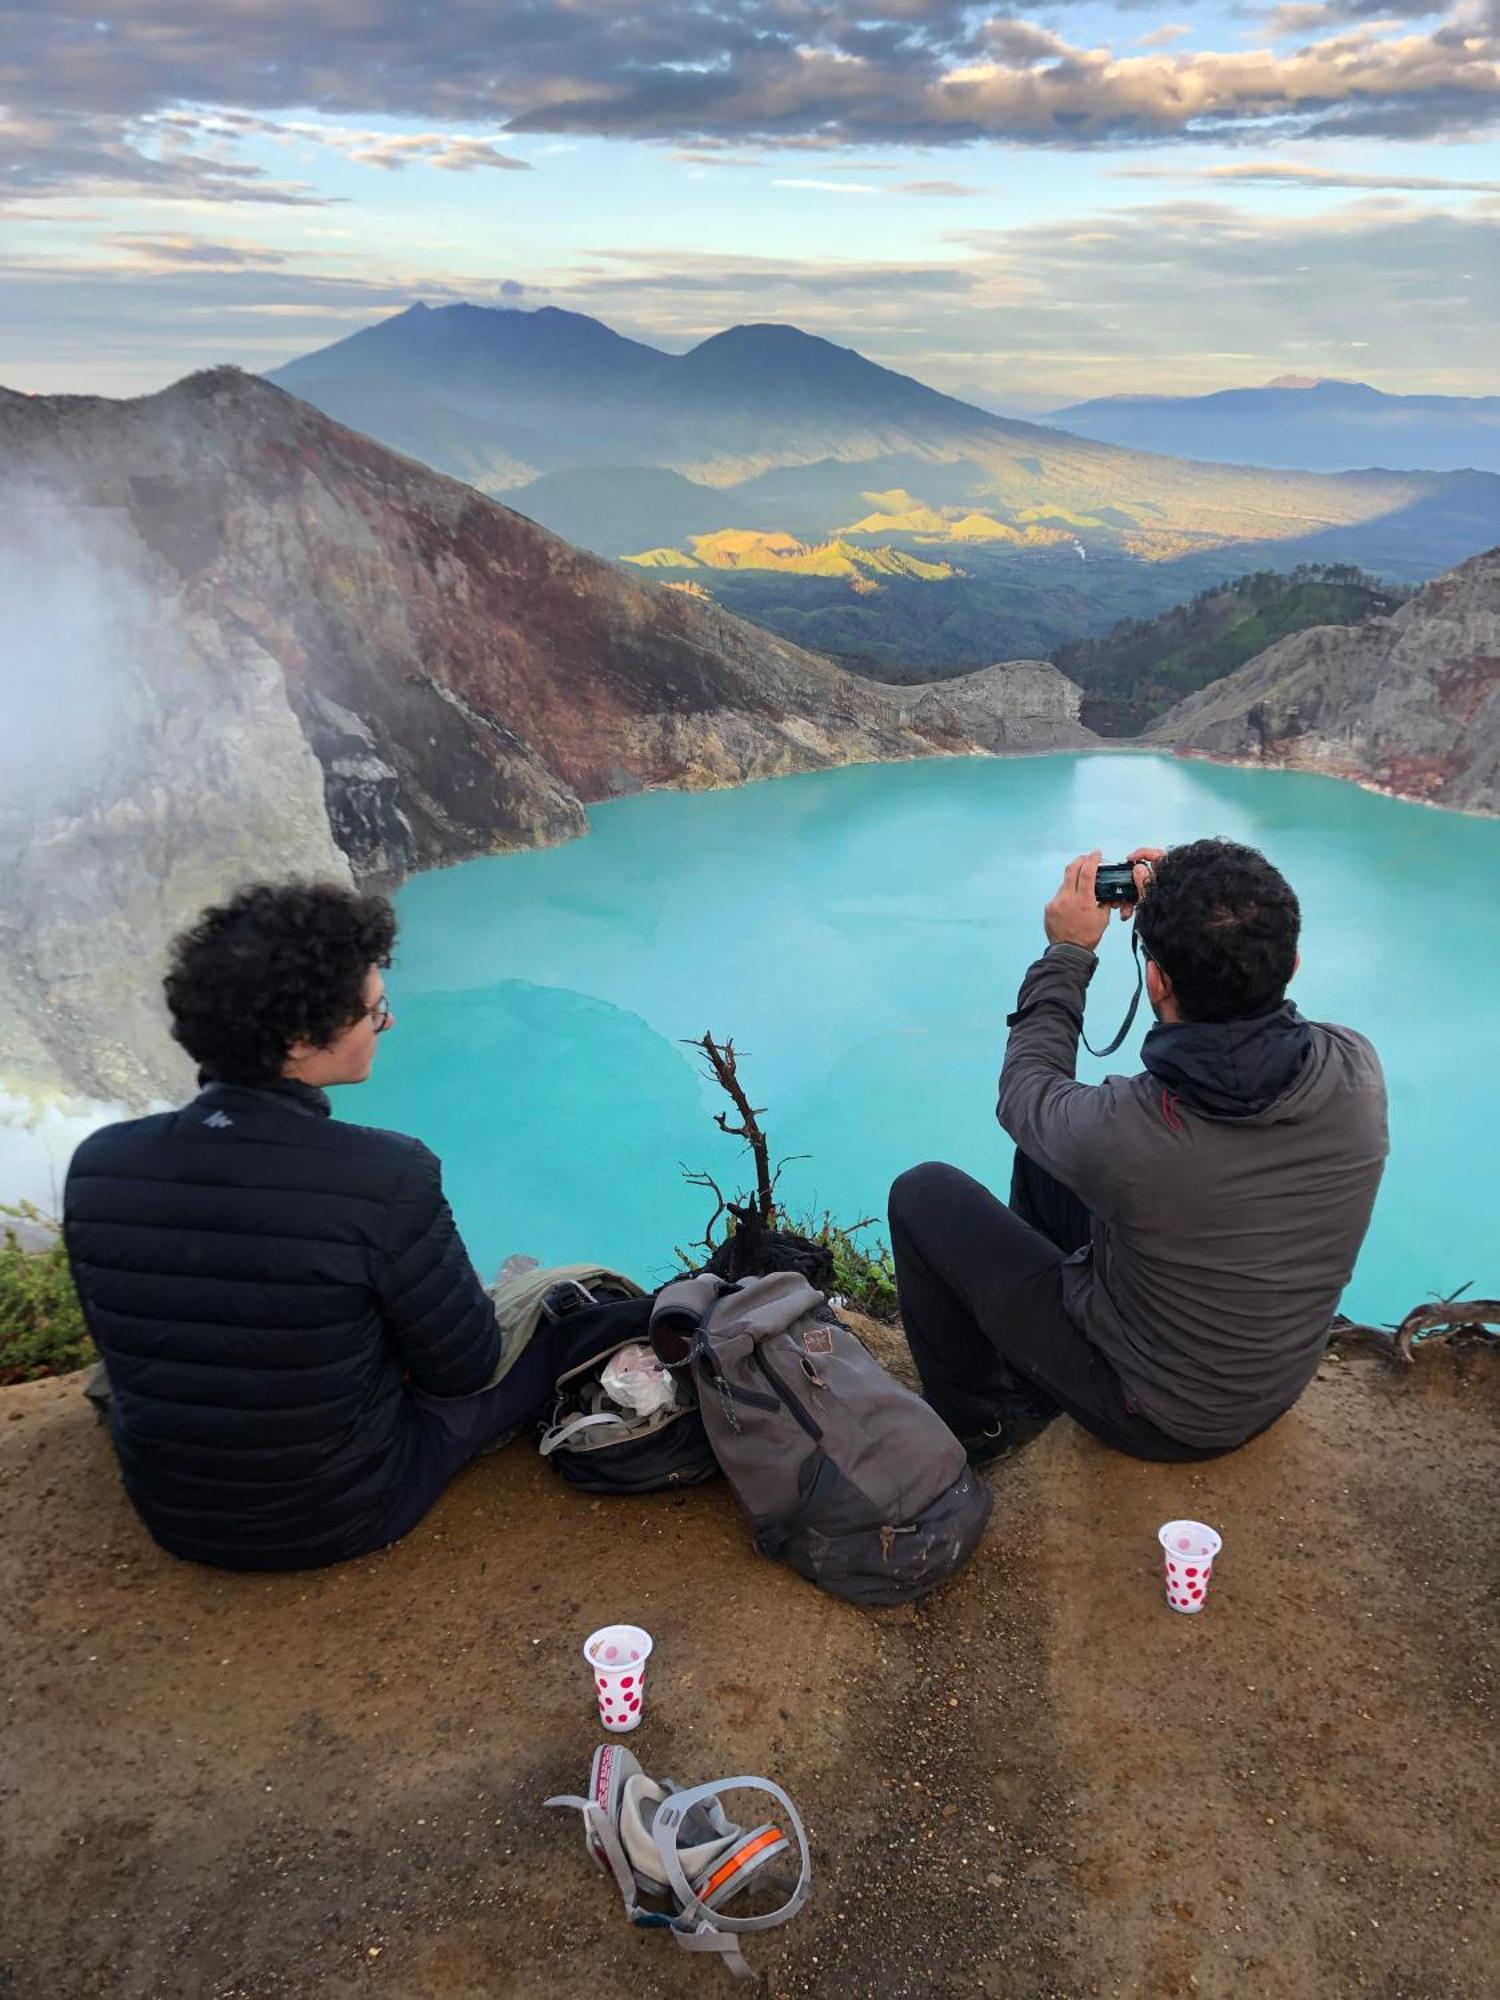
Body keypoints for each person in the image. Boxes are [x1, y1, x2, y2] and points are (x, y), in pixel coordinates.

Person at [63, 881, 554, 1570]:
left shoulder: (99, 1165)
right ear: (299, 1040)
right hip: (342, 1512)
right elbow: (464, 1370)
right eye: (374, 1012)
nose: (387, 1025)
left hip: (174, 1513)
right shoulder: (385, 1176)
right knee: (557, 1315)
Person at [888, 838, 1389, 1464]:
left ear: (1155, 978)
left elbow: (1025, 1093)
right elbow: (1245, 990)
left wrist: (1068, 952)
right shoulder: (1355, 1067)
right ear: (1290, 964)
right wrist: (1201, 896)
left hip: (1159, 1414)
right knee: (1044, 1161)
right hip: (1273, 1383)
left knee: (924, 1194)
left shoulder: (1130, 1133)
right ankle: (1033, 1366)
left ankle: (980, 1426)